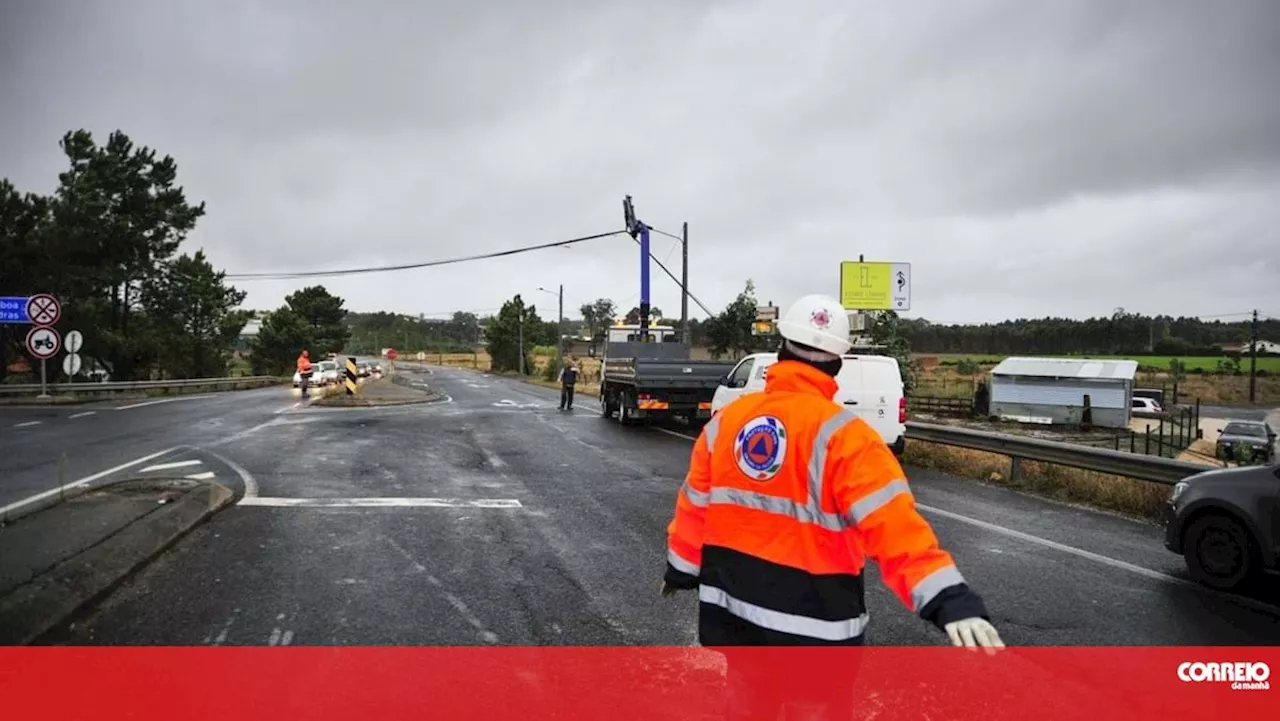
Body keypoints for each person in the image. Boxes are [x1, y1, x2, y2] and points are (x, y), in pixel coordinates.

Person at [661, 294, 1003, 717]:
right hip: (814, 633)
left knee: (747, 704)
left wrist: (681, 568)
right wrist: (948, 599)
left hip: (736, 618)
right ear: (838, 362)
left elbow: (695, 505)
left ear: (779, 348)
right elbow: (894, 528)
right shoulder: (848, 439)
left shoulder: (727, 422)